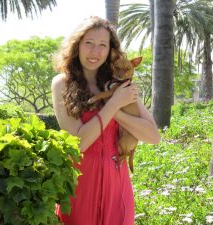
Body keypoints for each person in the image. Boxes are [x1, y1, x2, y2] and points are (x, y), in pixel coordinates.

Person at [51, 16, 160, 225]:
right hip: (79, 186)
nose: (95, 52)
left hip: (118, 187)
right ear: (77, 46)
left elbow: (153, 136)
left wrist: (116, 106)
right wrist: (113, 103)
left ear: (111, 50)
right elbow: (79, 143)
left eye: (103, 45)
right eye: (89, 43)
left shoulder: (119, 84)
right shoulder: (62, 84)